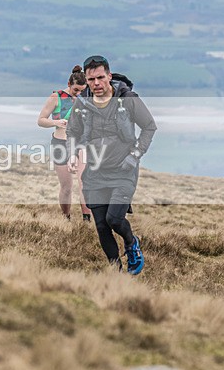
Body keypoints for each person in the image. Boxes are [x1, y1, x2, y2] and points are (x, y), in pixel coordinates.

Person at [66, 55, 157, 275]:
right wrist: (71, 153)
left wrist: (135, 155)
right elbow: (72, 131)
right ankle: (116, 273)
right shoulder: (82, 103)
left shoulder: (128, 98)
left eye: (100, 77)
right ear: (86, 80)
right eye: (91, 79)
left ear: (109, 75)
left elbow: (149, 127)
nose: (96, 83)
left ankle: (131, 243)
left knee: (114, 219)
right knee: (101, 226)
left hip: (123, 169)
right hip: (95, 172)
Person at [37, 65, 91, 221]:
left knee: (84, 184)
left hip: (81, 145)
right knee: (66, 187)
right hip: (60, 144)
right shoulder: (57, 97)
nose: (79, 94)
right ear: (69, 84)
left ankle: (86, 219)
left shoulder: (89, 98)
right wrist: (58, 122)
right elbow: (41, 120)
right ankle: (66, 217)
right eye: (76, 90)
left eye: (83, 90)